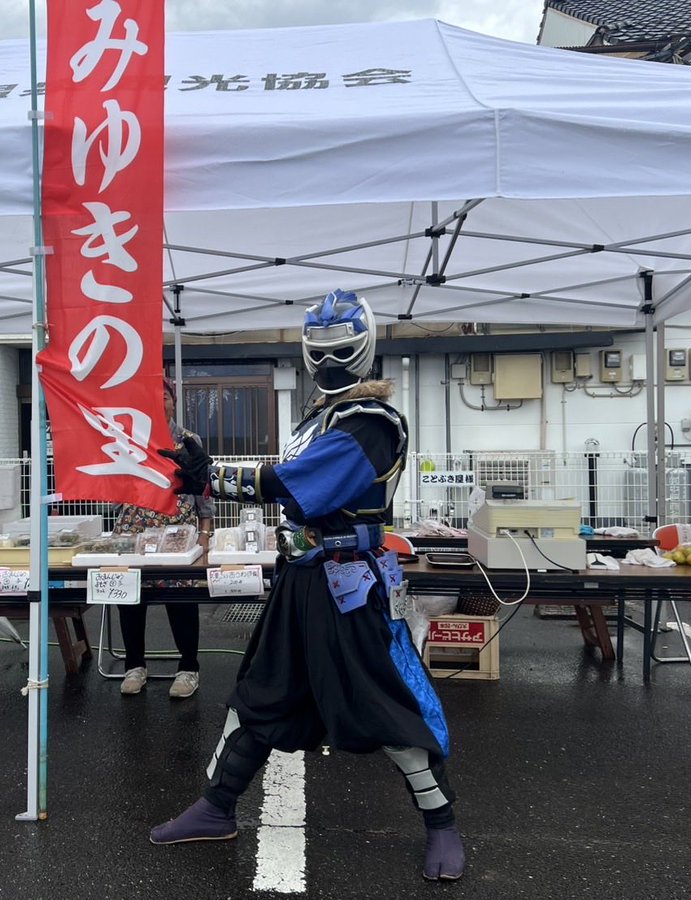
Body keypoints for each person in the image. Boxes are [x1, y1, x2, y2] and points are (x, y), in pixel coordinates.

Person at [150, 289, 465, 881]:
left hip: (350, 585)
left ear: (364, 347)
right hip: (300, 578)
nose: (328, 359)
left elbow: (302, 485)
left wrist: (212, 474)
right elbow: (290, 483)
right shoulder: (318, 417)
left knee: (385, 703)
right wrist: (205, 475)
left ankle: (441, 822)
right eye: (319, 348)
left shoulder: (371, 421)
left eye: (340, 347)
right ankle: (216, 806)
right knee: (260, 691)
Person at [111, 377, 215, 700]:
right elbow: (115, 489)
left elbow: (203, 490)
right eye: (151, 397)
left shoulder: (189, 440)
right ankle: (134, 666)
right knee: (130, 596)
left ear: (174, 402)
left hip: (177, 532)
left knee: (180, 596)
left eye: (165, 396)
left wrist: (205, 534)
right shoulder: (128, 440)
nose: (159, 402)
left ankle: (188, 668)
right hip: (135, 530)